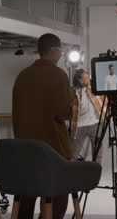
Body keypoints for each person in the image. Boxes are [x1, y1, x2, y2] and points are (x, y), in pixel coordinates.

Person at [12, 33, 75, 219]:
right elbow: (65, 113)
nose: (62, 55)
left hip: (25, 151)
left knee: (27, 197)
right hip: (53, 151)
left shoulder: (22, 76)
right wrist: (72, 96)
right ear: (54, 50)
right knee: (57, 197)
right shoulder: (59, 75)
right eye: (61, 51)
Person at [71, 69, 105, 163]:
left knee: (98, 153)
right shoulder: (73, 92)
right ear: (79, 80)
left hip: (95, 124)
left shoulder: (93, 89)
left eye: (88, 77)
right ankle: (69, 173)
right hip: (80, 126)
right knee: (73, 153)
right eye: (85, 78)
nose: (88, 79)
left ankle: (96, 173)